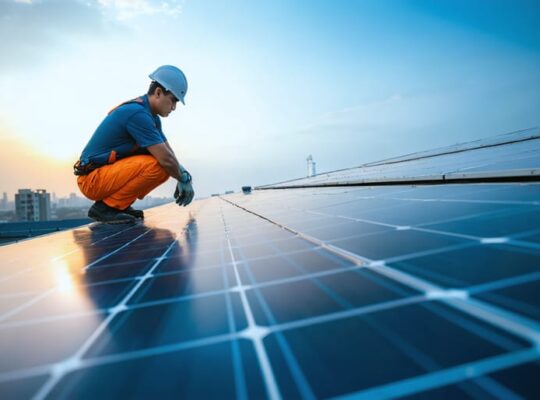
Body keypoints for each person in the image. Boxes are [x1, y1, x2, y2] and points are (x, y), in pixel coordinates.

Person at [74, 65, 194, 223]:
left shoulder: (151, 117)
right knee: (160, 166)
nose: (174, 107)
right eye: (173, 100)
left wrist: (184, 175)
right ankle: (107, 208)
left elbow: (168, 153)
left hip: (103, 175)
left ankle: (119, 205)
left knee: (165, 165)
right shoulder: (137, 114)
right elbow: (165, 160)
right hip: (92, 180)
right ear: (158, 93)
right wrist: (183, 179)